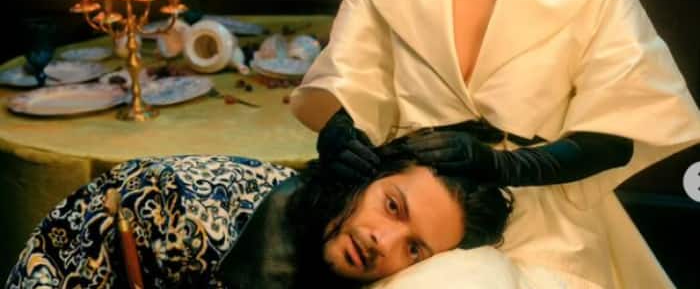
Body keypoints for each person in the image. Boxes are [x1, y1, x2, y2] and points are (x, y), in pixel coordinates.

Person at [290, 0, 700, 287]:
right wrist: (340, 133)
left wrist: (504, 166)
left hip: (547, 228)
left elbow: (618, 134)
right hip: (409, 219)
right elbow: (349, 84)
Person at [6, 149, 512, 288]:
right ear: (364, 175)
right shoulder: (180, 207)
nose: (384, 241)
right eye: (393, 206)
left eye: (415, 248)